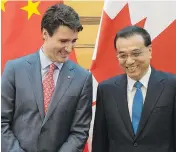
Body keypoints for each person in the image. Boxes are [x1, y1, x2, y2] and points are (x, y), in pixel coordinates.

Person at [1, 4, 92, 152]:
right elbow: (2, 121)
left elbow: (79, 132)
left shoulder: (82, 78)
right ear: (45, 34)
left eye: (73, 41)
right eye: (63, 41)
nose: (69, 48)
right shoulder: (14, 69)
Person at [92, 25, 176, 152]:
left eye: (135, 53)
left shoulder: (172, 85)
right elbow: (100, 140)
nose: (129, 61)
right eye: (123, 55)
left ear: (150, 51)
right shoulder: (106, 89)